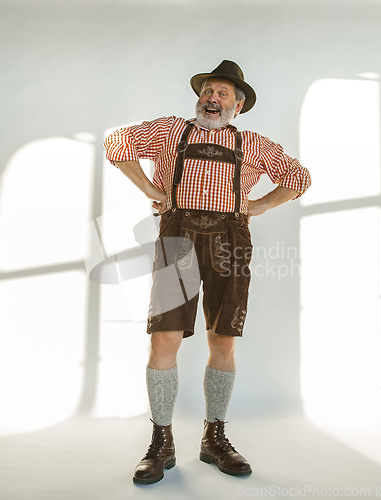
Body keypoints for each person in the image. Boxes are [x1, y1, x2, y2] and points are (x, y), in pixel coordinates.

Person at [104, 60, 311, 485]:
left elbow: (298, 177)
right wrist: (150, 190)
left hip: (230, 242)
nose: (211, 99)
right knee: (165, 336)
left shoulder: (252, 143)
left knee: (223, 339)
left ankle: (214, 438)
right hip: (177, 239)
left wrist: (261, 205)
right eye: (208, 91)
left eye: (222, 94)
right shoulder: (170, 131)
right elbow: (117, 143)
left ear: (238, 105)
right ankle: (161, 443)